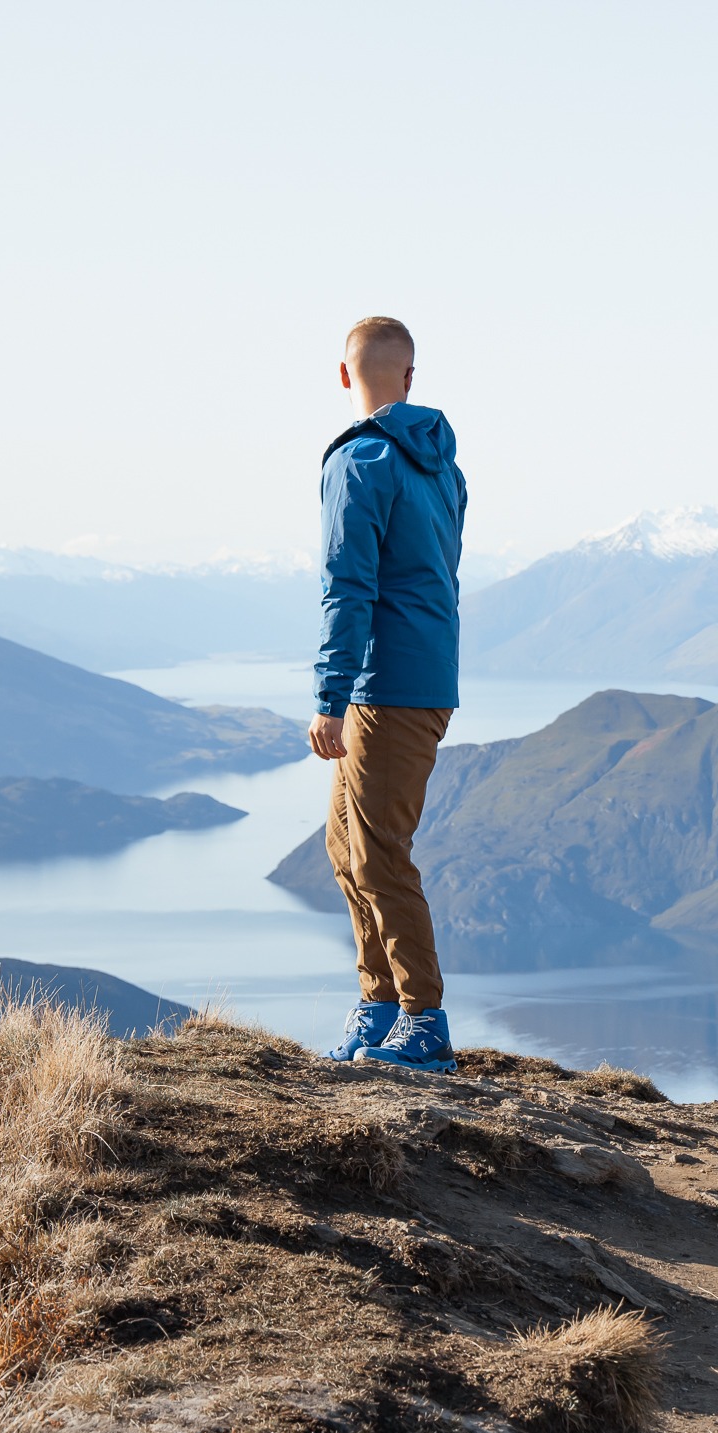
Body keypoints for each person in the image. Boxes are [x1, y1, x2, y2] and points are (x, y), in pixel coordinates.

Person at [310, 316, 468, 1072]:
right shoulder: (443, 466)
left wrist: (329, 695)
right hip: (426, 675)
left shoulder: (360, 462)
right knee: (346, 846)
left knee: (378, 856)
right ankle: (378, 1004)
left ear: (344, 377)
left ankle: (422, 1019)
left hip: (385, 684)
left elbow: (349, 587)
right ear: (408, 377)